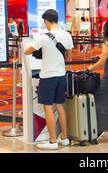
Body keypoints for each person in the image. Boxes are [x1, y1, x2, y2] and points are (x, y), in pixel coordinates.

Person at [24, 9, 74, 150]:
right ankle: (64, 137)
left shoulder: (44, 37)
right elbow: (69, 56)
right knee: (59, 105)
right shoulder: (67, 35)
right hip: (60, 75)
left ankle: (52, 141)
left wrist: (39, 47)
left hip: (47, 76)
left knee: (48, 108)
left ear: (46, 21)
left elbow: (27, 51)